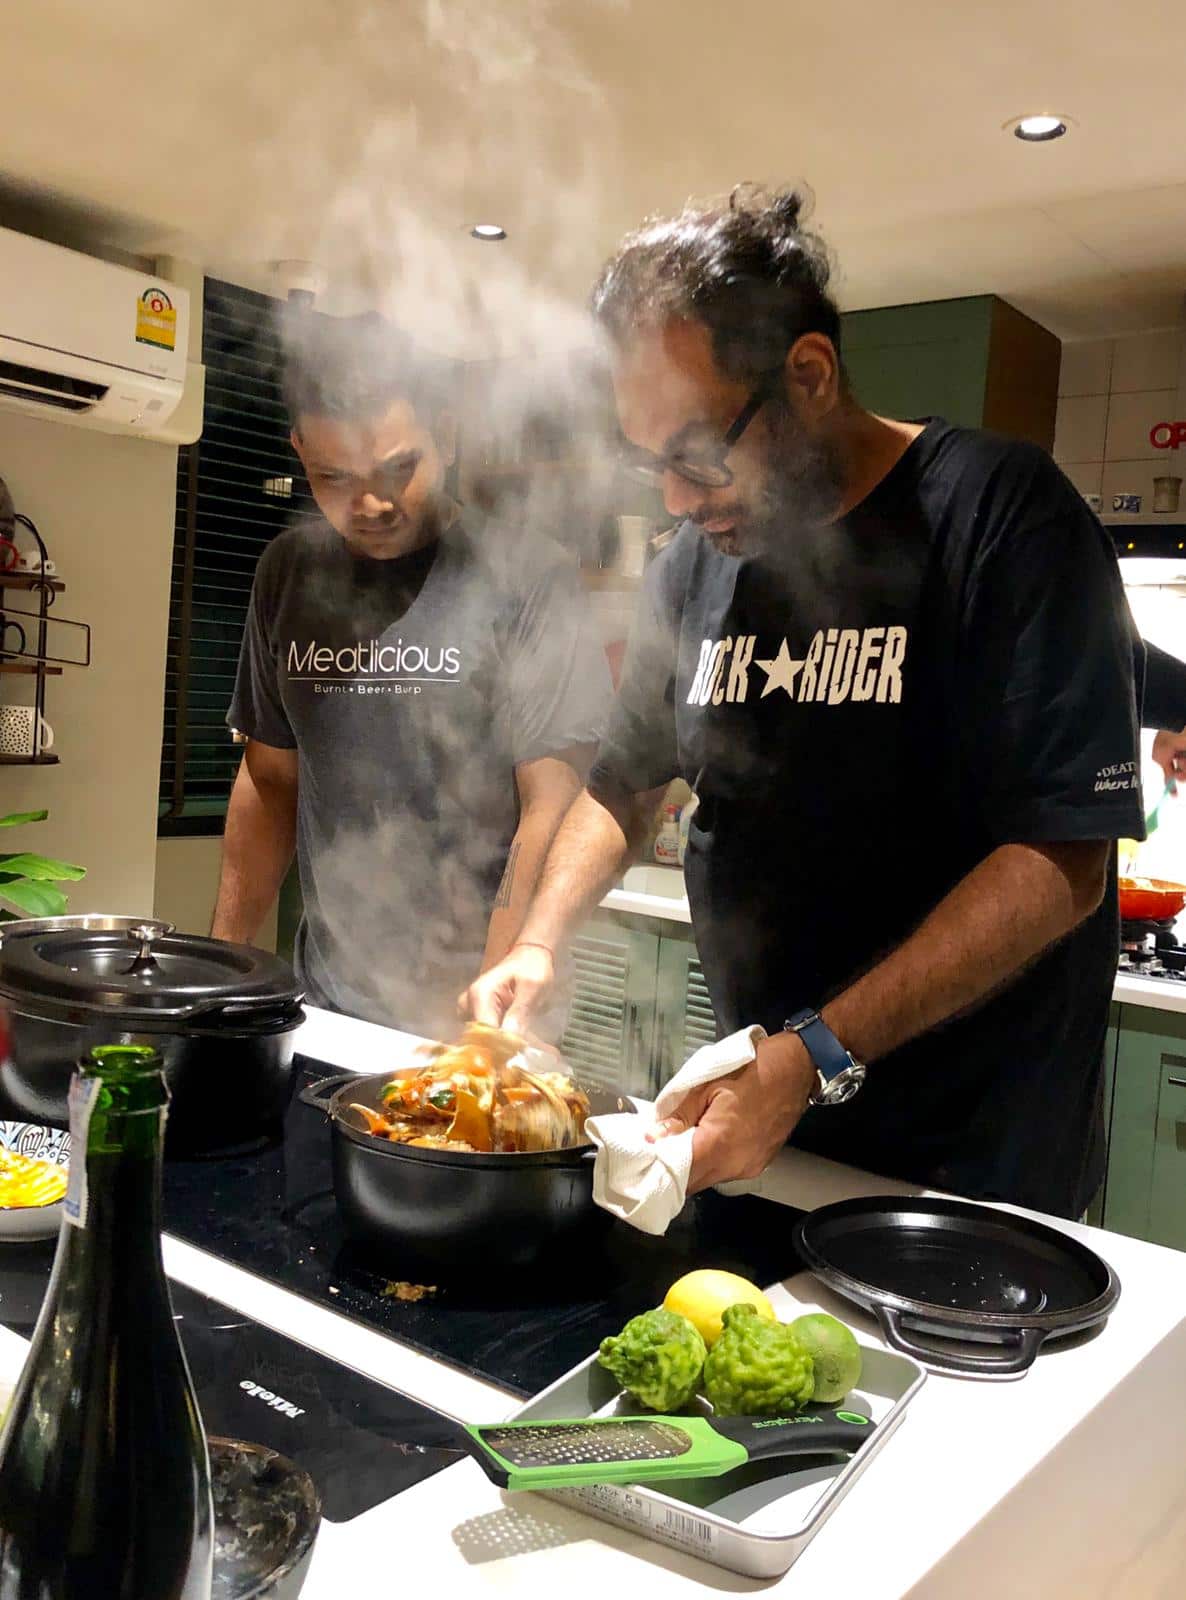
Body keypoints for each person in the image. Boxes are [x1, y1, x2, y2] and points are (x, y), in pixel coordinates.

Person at [466, 184, 1149, 1219]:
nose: (678, 502)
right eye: (650, 465)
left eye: (697, 456)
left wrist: (816, 1050)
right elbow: (621, 782)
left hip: (967, 1166)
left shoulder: (1002, 516)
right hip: (757, 1126)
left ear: (810, 375)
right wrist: (535, 937)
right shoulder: (690, 571)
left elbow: (1061, 863)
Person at [213, 311, 609, 1039]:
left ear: (448, 434)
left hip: (485, 1017)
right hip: (326, 1008)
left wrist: (481, 1029)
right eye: (334, 476)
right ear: (299, 448)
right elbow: (271, 781)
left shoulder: (528, 576)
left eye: (399, 467)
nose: (370, 503)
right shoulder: (288, 573)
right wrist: (222, 974)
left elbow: (548, 807)